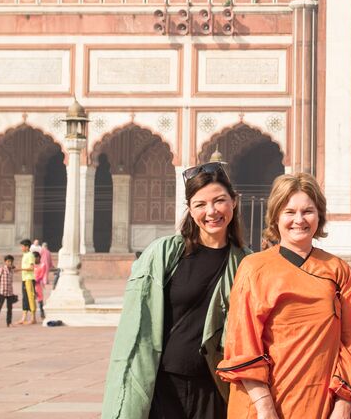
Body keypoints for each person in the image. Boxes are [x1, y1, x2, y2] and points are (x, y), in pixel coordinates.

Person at [102, 161, 250, 419]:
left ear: (234, 202)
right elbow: (135, 325)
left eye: (219, 200)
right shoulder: (165, 253)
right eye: (200, 204)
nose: (211, 211)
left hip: (213, 387)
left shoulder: (247, 263)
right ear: (190, 210)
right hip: (164, 385)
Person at [218, 172, 351, 418]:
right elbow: (242, 344)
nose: (299, 220)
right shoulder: (254, 268)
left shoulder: (337, 270)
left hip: (319, 402)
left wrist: (343, 401)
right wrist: (265, 408)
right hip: (261, 404)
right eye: (290, 212)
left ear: (319, 216)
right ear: (276, 217)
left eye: (308, 211)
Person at [0, 254, 17, 327]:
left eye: (11, 261)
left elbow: (17, 269)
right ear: (5, 262)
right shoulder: (2, 269)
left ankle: (9, 323)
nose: (9, 263)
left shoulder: (11, 270)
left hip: (10, 292)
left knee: (10, 308)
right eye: (8, 261)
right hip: (2, 292)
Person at [18, 239, 37, 325]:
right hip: (25, 279)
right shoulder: (25, 255)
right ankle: (24, 317)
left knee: (30, 297)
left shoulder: (30, 255)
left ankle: (33, 317)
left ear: (27, 247)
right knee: (25, 298)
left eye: (22, 246)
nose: (21, 248)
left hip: (29, 279)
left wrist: (20, 269)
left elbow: (32, 268)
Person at [33, 251, 48, 320]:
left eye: (35, 257)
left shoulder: (43, 265)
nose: (34, 259)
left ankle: (42, 313)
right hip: (31, 283)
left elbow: (42, 275)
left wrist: (36, 281)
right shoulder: (32, 265)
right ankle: (33, 315)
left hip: (38, 284)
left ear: (39, 257)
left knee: (40, 299)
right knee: (31, 299)